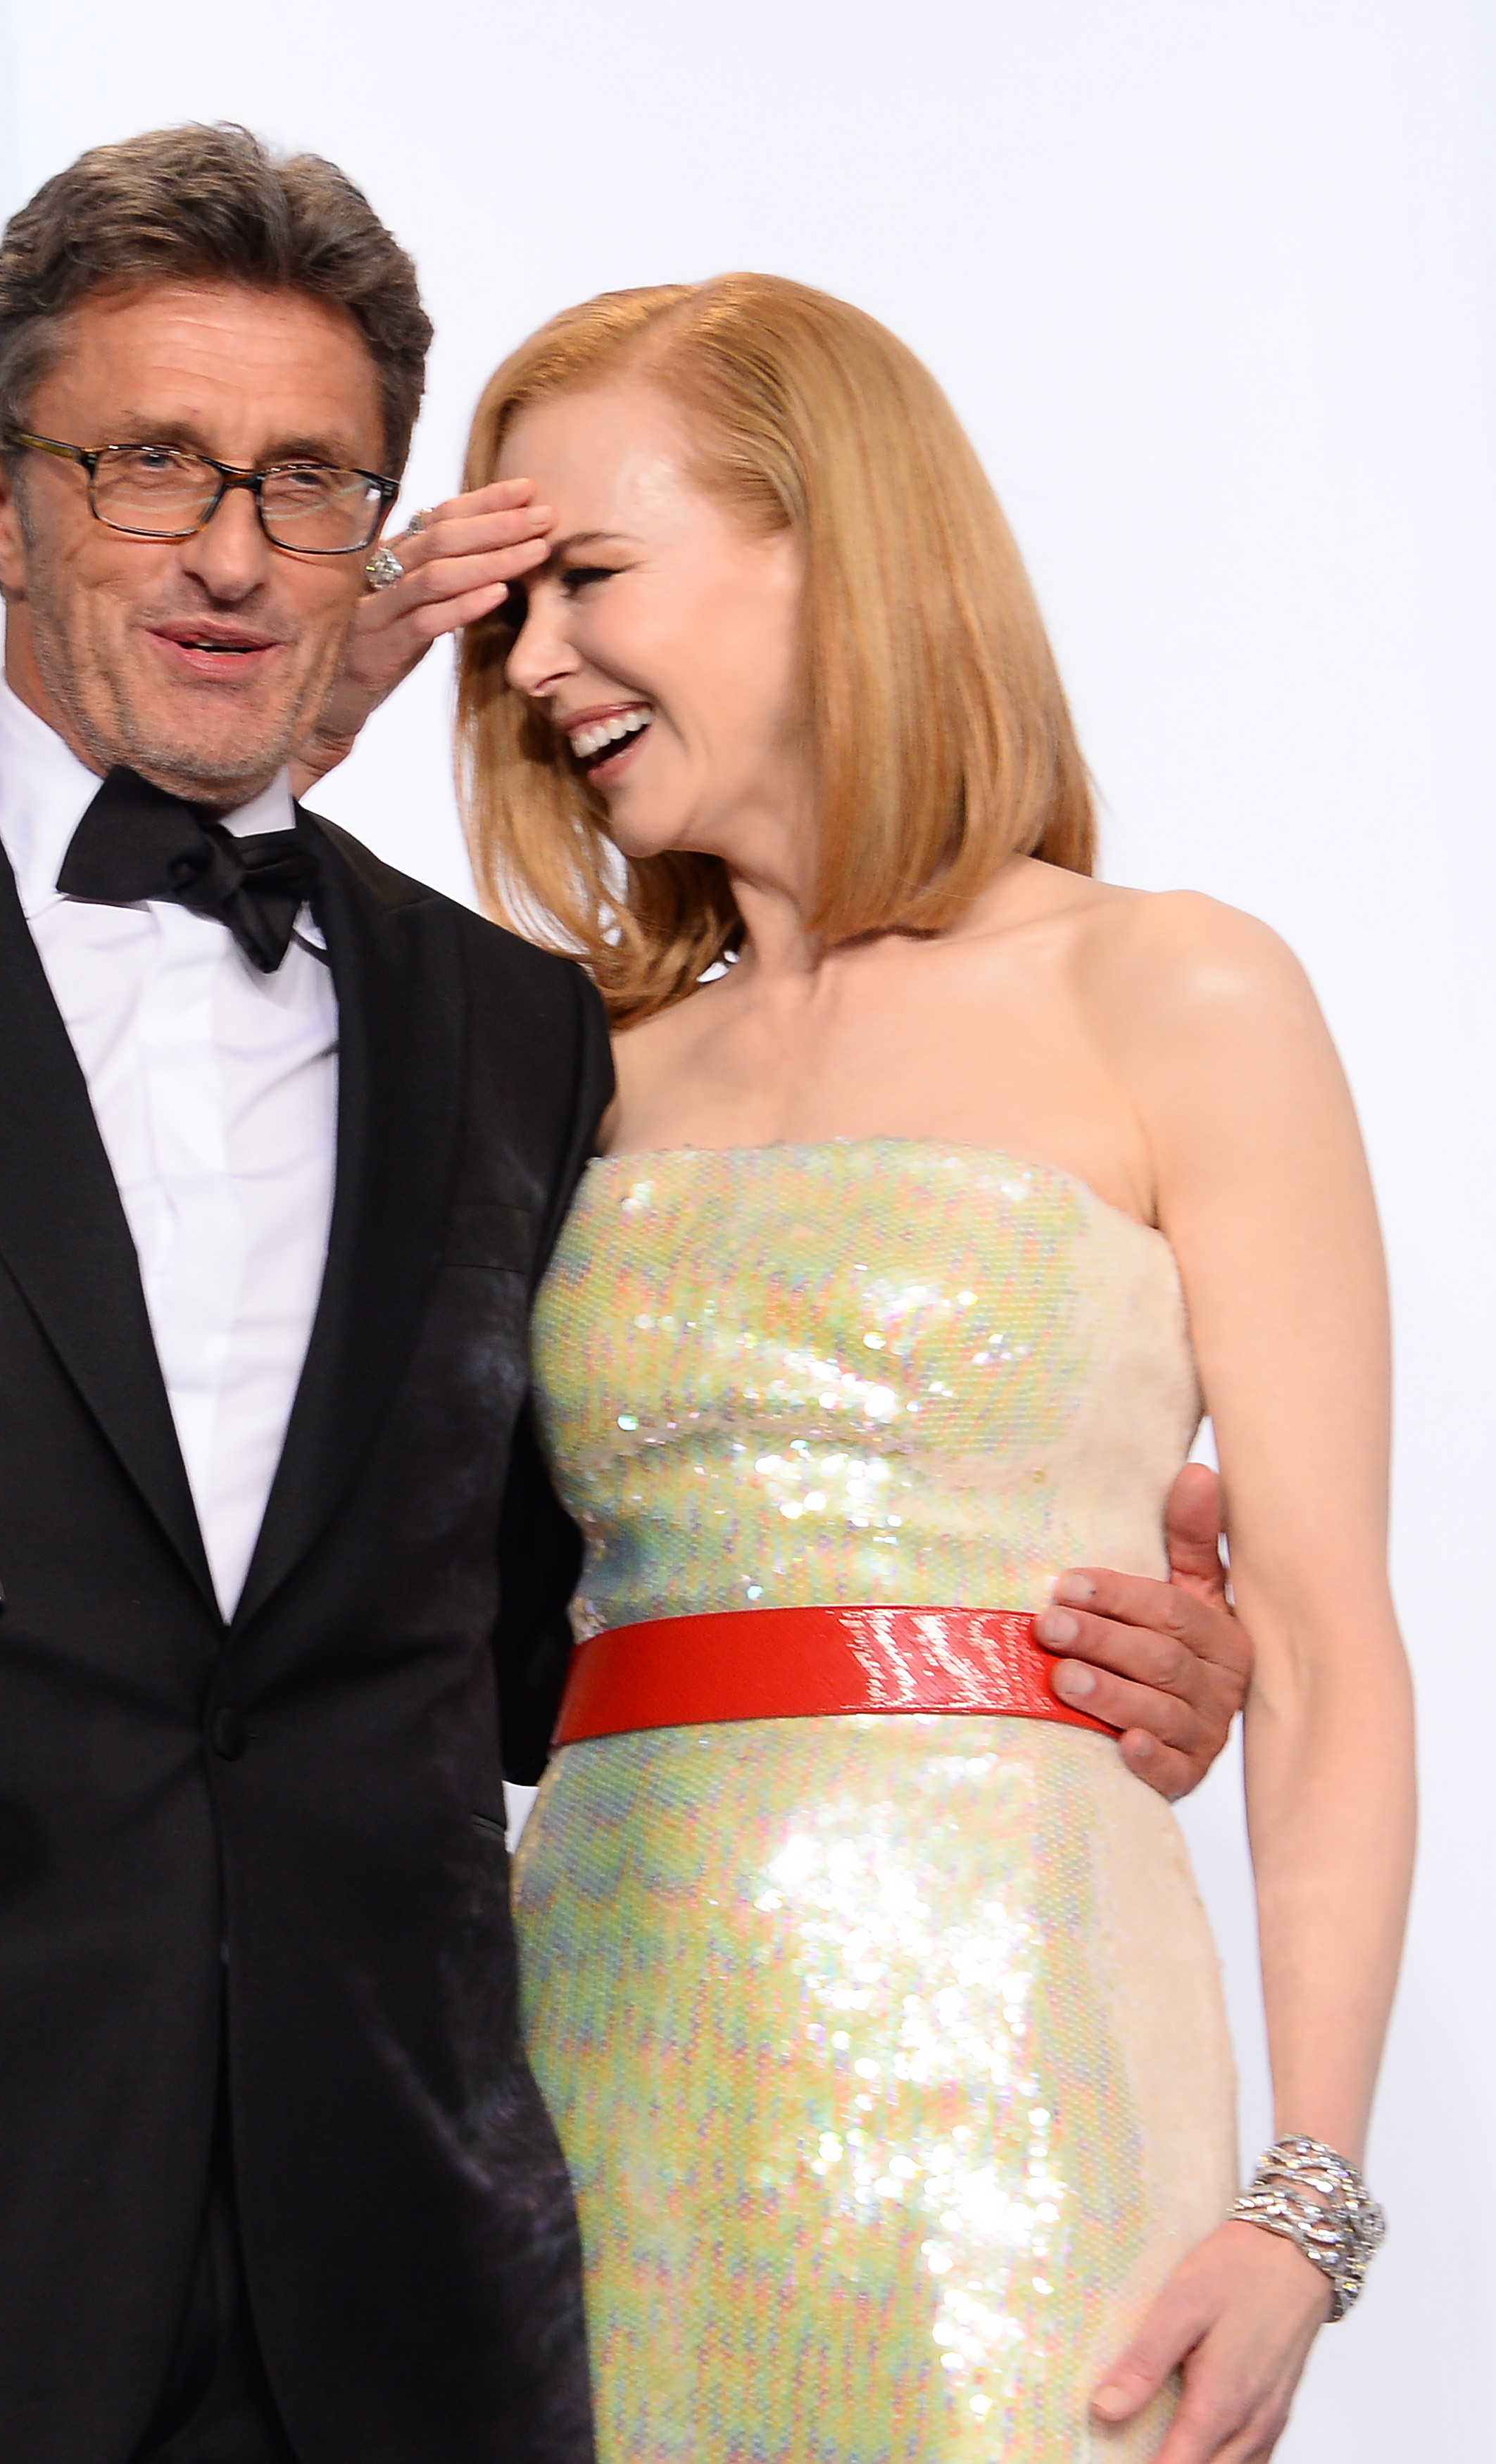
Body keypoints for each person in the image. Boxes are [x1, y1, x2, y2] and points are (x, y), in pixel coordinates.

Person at [0, 129, 1248, 2463]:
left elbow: (559, 1628)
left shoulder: (517, 1026)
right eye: (151, 465)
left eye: (311, 481)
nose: (234, 550)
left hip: (394, 2308)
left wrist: (1025, 1645)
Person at [413, 275, 1412, 2463]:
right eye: (512, 612)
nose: (539, 660)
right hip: (595, 2065)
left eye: (590, 575)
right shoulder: (574, 1070)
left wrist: (1305, 2206)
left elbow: (1325, 1634)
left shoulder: (1178, 990)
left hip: (1025, 2087)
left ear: (832, 546)